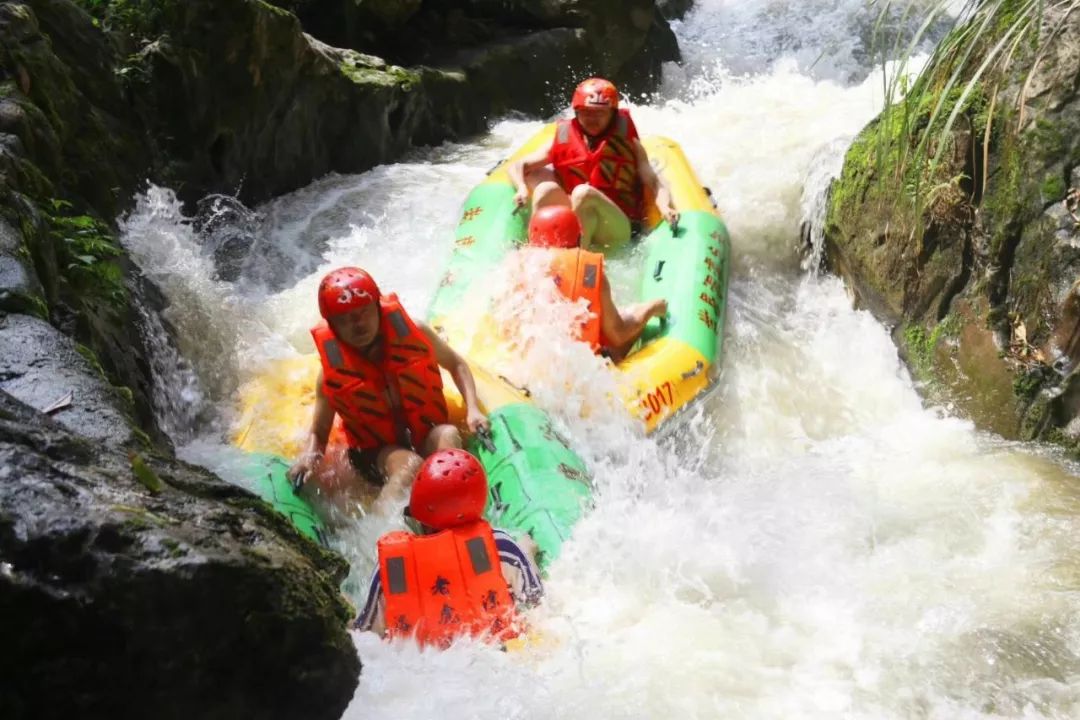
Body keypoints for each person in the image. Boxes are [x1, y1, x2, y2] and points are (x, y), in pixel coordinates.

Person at [287, 267, 490, 513]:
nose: (358, 325)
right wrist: (308, 458)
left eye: (364, 312)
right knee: (410, 464)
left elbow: (456, 364)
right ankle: (382, 530)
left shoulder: (416, 333)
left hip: (426, 432)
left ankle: (460, 511)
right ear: (332, 325)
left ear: (378, 307)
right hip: (374, 454)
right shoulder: (330, 375)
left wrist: (473, 409)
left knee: (447, 434)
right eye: (345, 319)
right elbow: (319, 432)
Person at [354, 449, 543, 648]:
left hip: (425, 663)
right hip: (499, 653)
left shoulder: (391, 569)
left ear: (421, 520)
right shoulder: (502, 547)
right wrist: (527, 553)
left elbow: (364, 636)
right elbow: (536, 602)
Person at [508, 77, 679, 249]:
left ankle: (579, 255)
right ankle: (535, 249)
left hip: (616, 225)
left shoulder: (629, 143)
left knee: (583, 193)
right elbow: (517, 166)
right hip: (576, 217)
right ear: (577, 112)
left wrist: (665, 207)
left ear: (612, 115)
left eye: (600, 114)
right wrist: (521, 188)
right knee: (546, 189)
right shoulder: (564, 137)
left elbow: (654, 182)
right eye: (587, 112)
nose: (593, 119)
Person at [527, 205, 667, 361]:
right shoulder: (589, 272)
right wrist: (652, 308)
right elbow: (618, 334)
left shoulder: (520, 268)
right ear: (579, 238)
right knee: (629, 314)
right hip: (581, 365)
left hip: (530, 363)